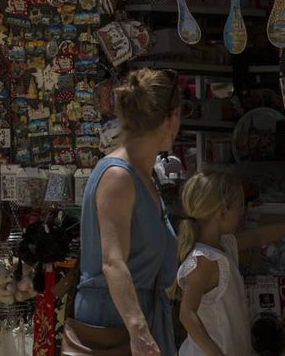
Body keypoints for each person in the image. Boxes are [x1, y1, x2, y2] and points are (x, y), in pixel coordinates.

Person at [73, 68, 183, 356]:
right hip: (115, 322)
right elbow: (113, 261)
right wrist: (139, 331)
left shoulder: (144, 175)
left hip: (139, 315)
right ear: (170, 120)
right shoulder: (118, 177)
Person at [174, 172, 285, 356]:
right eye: (238, 208)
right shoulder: (204, 260)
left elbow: (257, 237)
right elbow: (187, 314)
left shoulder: (224, 245)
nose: (241, 214)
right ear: (221, 213)